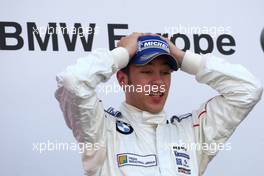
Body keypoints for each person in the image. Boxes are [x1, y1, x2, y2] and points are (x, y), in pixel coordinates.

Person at [55, 33, 263, 176]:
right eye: (146, 72)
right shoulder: (101, 129)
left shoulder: (191, 132)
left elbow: (248, 90)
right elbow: (73, 82)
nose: (158, 82)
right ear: (122, 80)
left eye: (165, 72)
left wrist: (182, 58)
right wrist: (121, 54)